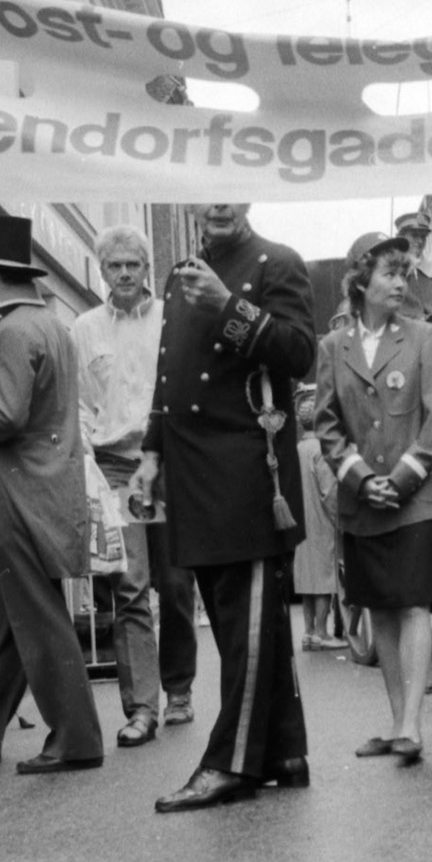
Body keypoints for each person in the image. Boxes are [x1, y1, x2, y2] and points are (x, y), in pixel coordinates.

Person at [137, 202, 316, 811]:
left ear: (245, 198)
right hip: (191, 468)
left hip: (247, 469)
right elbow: (169, 376)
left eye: (227, 191)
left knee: (248, 627)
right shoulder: (179, 273)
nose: (215, 204)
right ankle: (285, 750)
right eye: (205, 191)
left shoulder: (279, 263)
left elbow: (299, 354)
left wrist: (230, 307)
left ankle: (232, 762)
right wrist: (151, 452)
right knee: (243, 625)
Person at [0, 214, 103, 775]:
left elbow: (6, 415)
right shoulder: (51, 324)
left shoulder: (11, 331)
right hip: (48, 488)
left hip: (20, 493)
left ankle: (76, 737)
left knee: (37, 617)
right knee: (2, 617)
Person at [315, 234, 432, 764]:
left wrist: (400, 477)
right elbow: (327, 423)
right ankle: (396, 718)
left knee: (413, 606)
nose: (401, 283)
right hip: (363, 501)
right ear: (361, 282)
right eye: (390, 274)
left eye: (404, 274)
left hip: (421, 497)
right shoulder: (333, 347)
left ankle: (412, 725)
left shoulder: (424, 336)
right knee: (379, 606)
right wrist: (358, 477)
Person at [73, 225, 199, 744]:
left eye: (133, 264)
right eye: (114, 265)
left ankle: (180, 690)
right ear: (100, 270)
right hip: (118, 468)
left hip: (166, 465)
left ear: (147, 269)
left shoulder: (171, 319)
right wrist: (85, 463)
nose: (124, 273)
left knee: (173, 583)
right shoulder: (84, 328)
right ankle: (140, 709)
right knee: (129, 587)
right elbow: (79, 402)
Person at [291, 384, 345, 651]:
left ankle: (309, 631)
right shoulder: (320, 449)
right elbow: (329, 492)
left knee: (306, 580)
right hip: (321, 521)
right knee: (323, 579)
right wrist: (342, 520)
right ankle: (323, 633)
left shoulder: (296, 449)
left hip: (300, 522)